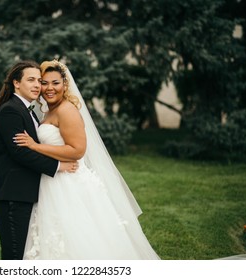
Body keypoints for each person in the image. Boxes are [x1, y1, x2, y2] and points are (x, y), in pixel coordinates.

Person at [14, 59, 160, 259]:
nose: (48, 88)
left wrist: (35, 146)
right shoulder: (49, 111)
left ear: (65, 85)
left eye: (55, 83)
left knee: (78, 236)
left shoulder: (66, 110)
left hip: (69, 183)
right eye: (44, 82)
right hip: (53, 180)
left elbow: (77, 150)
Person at [0, 60, 78, 260]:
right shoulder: (11, 110)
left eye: (40, 81)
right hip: (13, 194)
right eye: (31, 80)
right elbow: (21, 153)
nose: (37, 85)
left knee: (25, 253)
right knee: (14, 255)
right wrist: (59, 166)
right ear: (16, 83)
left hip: (25, 193)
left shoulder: (31, 110)